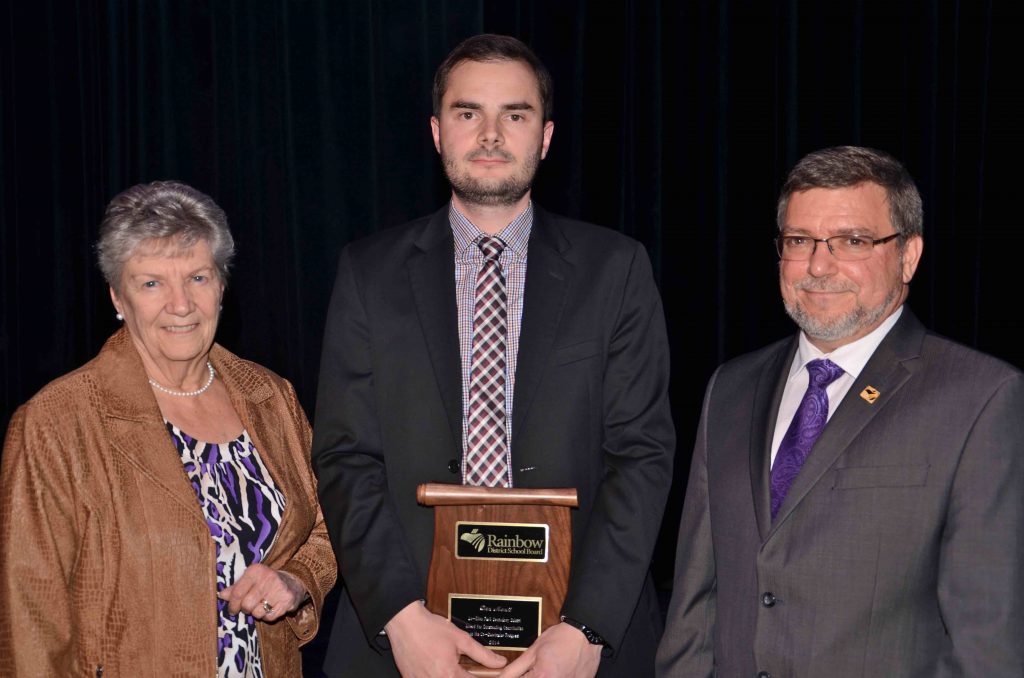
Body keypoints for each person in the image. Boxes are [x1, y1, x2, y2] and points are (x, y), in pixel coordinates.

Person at [313, 34, 674, 677]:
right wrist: (399, 618)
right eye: (467, 112)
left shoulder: (615, 269)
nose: (490, 134)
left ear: (546, 135)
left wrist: (587, 629)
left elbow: (642, 456)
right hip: (405, 641)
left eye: (515, 113)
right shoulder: (368, 273)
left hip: (573, 641)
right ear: (435, 131)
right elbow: (345, 458)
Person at [656, 146, 1024, 677]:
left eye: (852, 241)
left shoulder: (980, 398)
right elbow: (694, 606)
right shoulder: (730, 389)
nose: (818, 265)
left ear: (909, 256)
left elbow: (987, 641)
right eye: (799, 241)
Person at [0, 181, 337, 676]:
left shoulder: (271, 397)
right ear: (118, 296)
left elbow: (328, 526)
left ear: (222, 286)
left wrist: (297, 579)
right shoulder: (57, 422)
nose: (181, 305)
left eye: (198, 278)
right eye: (152, 283)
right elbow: (30, 621)